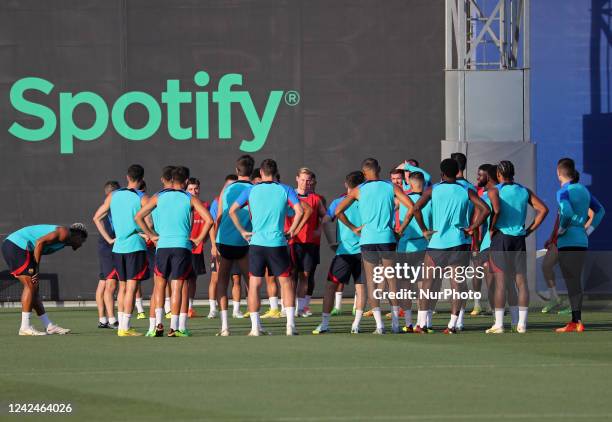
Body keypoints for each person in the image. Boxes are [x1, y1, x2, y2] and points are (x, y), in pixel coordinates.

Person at [335, 158, 415, 334]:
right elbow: (411, 207)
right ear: (379, 168)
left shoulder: (358, 190)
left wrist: (353, 228)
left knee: (371, 281)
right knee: (392, 280)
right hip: (387, 239)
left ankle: (379, 325)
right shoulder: (390, 187)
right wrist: (400, 230)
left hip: (368, 239)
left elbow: (338, 211)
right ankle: (395, 324)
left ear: (364, 173)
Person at [412, 159, 489, 334]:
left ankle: (422, 324)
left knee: (427, 284)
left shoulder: (434, 189)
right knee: (457, 284)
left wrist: (424, 230)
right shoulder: (466, 190)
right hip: (459, 243)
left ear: (442, 173)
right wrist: (473, 227)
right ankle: (452, 325)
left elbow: (416, 208)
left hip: (437, 243)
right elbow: (485, 209)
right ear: (456, 173)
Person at [229, 159, 304, 336]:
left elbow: (232, 210)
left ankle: (255, 328)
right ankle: (290, 326)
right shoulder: (285, 189)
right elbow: (300, 210)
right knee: (286, 283)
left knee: (254, 284)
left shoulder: (251, 190)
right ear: (275, 172)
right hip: (277, 243)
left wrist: (242, 231)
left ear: (261, 173)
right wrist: (292, 230)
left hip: (257, 243)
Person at [135, 166, 213, 337]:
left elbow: (138, 217)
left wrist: (152, 235)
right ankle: (175, 327)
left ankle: (157, 325)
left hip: (162, 246)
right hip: (182, 247)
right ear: (186, 182)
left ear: (171, 180)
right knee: (177, 287)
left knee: (159, 287)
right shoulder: (190, 198)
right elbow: (209, 219)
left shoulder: (158, 197)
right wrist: (199, 239)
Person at [486, 160, 549, 334]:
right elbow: (543, 209)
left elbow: (496, 211)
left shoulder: (494, 190)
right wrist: (528, 230)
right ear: (513, 173)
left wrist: (491, 229)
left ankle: (499, 325)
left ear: (498, 175)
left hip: (501, 238)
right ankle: (521, 324)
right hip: (519, 239)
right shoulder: (524, 191)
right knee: (521, 282)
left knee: (500, 282)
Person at [93, 164, 149, 337]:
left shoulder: (113, 195)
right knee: (131, 287)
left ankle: (121, 326)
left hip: (118, 248)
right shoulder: (142, 197)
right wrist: (149, 234)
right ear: (141, 179)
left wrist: (110, 239)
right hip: (135, 246)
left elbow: (96, 217)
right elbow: (150, 222)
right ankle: (124, 327)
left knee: (123, 287)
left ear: (127, 177)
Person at [2, 224, 87, 335]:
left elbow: (39, 247)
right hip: (17, 246)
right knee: (30, 286)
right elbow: (39, 242)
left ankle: (49, 326)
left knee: (34, 289)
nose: (81, 245)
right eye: (82, 240)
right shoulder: (64, 233)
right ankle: (25, 327)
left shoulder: (64, 242)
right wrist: (36, 269)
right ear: (77, 235)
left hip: (18, 248)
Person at [554, 158, 605, 332]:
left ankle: (576, 320)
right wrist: (588, 230)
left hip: (567, 240)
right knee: (575, 280)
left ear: (559, 173)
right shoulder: (583, 190)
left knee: (571, 281)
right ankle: (577, 320)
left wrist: (562, 229)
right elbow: (600, 211)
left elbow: (566, 212)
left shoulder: (563, 191)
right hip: (582, 240)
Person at [313, 171, 366, 334]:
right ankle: (355, 324)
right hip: (361, 252)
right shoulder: (366, 201)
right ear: (362, 184)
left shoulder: (339, 202)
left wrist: (331, 242)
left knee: (331, 287)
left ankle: (325, 323)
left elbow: (326, 221)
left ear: (346, 184)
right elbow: (326, 220)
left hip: (347, 252)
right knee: (361, 288)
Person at [213, 155, 255, 336]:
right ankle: (255, 326)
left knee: (222, 281)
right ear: (252, 171)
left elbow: (220, 216)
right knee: (251, 282)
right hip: (246, 240)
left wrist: (214, 242)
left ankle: (225, 327)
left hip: (225, 241)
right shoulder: (255, 189)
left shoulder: (227, 189)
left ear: (237, 170)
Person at [396, 171, 431, 332]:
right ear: (423, 183)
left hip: (404, 248)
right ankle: (422, 323)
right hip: (424, 247)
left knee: (405, 286)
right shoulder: (430, 200)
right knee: (423, 286)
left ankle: (408, 323)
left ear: (409, 182)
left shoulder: (402, 200)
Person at [289, 168, 326, 317]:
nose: (305, 183)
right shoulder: (288, 195)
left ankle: (301, 307)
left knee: (305, 275)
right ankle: (288, 307)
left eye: (308, 180)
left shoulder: (316, 199)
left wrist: (319, 229)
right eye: (302, 179)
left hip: (310, 243)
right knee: (290, 276)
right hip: (291, 242)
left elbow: (326, 216)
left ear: (311, 181)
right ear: (297, 179)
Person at [96, 181, 120, 329]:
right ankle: (112, 319)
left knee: (103, 283)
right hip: (108, 250)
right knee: (111, 283)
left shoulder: (113, 208)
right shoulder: (107, 209)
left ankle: (103, 319)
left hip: (106, 249)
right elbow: (96, 219)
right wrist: (109, 240)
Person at [186, 177, 210, 318]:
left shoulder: (204, 206)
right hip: (181, 248)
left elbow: (209, 225)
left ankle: (189, 307)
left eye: (196, 189)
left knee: (192, 279)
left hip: (196, 249)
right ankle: (170, 307)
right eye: (190, 189)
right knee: (178, 279)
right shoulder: (182, 205)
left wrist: (201, 239)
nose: (194, 191)